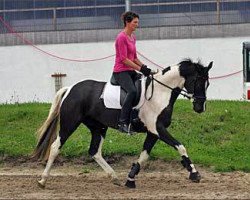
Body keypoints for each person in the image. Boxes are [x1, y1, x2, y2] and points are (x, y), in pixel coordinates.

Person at [112, 11, 152, 134]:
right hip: (121, 72)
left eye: (137, 22)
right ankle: (122, 122)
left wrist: (144, 67)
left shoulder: (132, 37)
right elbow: (124, 59)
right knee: (132, 91)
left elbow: (134, 57)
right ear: (127, 22)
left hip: (131, 70)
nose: (137, 25)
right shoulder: (121, 37)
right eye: (135, 22)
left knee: (144, 86)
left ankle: (135, 118)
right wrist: (140, 69)